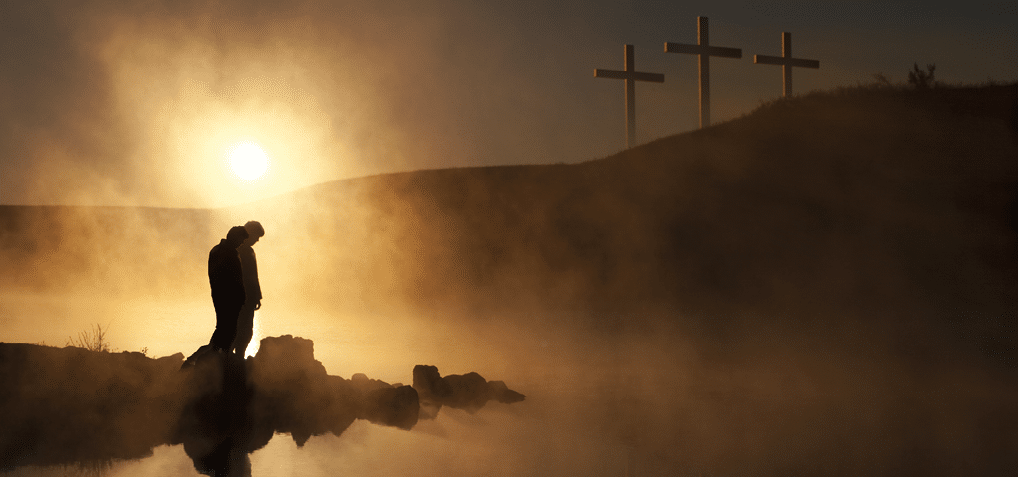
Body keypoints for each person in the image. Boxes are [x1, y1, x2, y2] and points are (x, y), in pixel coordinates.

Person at [208, 226, 249, 351]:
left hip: (218, 295)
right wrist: (241, 296)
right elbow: (235, 278)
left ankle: (213, 356)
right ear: (235, 237)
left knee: (222, 327)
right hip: (229, 298)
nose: (242, 243)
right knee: (229, 329)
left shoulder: (216, 250)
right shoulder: (229, 253)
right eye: (241, 239)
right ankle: (219, 357)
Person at [231, 220, 264, 356]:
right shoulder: (237, 251)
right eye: (256, 237)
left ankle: (237, 357)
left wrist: (257, 296)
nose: (257, 240)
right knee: (240, 331)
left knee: (245, 332)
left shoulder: (248, 251)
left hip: (248, 298)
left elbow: (253, 276)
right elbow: (247, 276)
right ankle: (233, 359)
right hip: (240, 299)